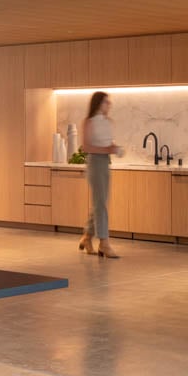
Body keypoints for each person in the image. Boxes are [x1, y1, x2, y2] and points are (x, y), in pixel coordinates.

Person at [77, 91, 122, 258]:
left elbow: (106, 142)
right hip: (95, 162)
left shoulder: (107, 122)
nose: (109, 105)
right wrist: (107, 149)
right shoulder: (89, 122)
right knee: (101, 203)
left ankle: (87, 237)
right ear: (98, 103)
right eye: (106, 102)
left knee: (100, 203)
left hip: (105, 162)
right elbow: (86, 147)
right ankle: (104, 243)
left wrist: (114, 148)